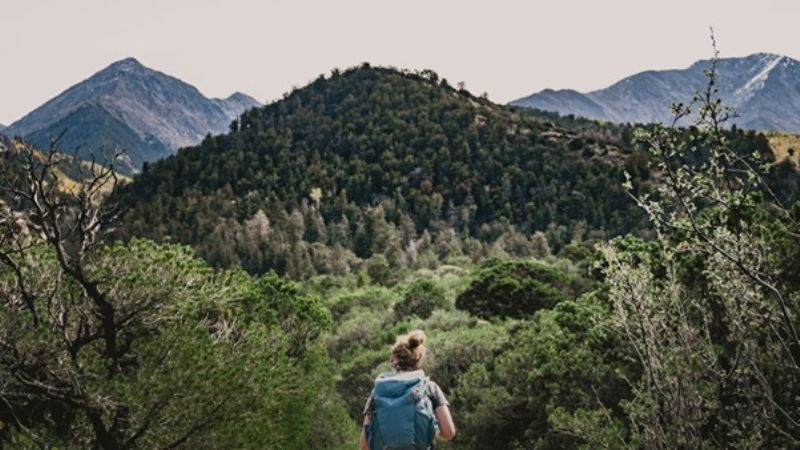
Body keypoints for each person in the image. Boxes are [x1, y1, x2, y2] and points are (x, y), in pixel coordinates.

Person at [359, 330, 455, 450]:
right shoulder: (429, 387)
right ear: (418, 360)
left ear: (393, 361)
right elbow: (448, 431)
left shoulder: (378, 390)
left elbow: (365, 445)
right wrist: (428, 431)